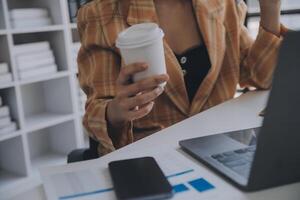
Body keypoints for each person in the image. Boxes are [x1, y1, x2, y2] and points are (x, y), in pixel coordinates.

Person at [77, 0, 287, 156]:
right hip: (150, 159)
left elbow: (260, 77)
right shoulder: (101, 14)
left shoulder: (223, 3)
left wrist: (270, 10)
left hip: (223, 151)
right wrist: (116, 111)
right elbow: (95, 113)